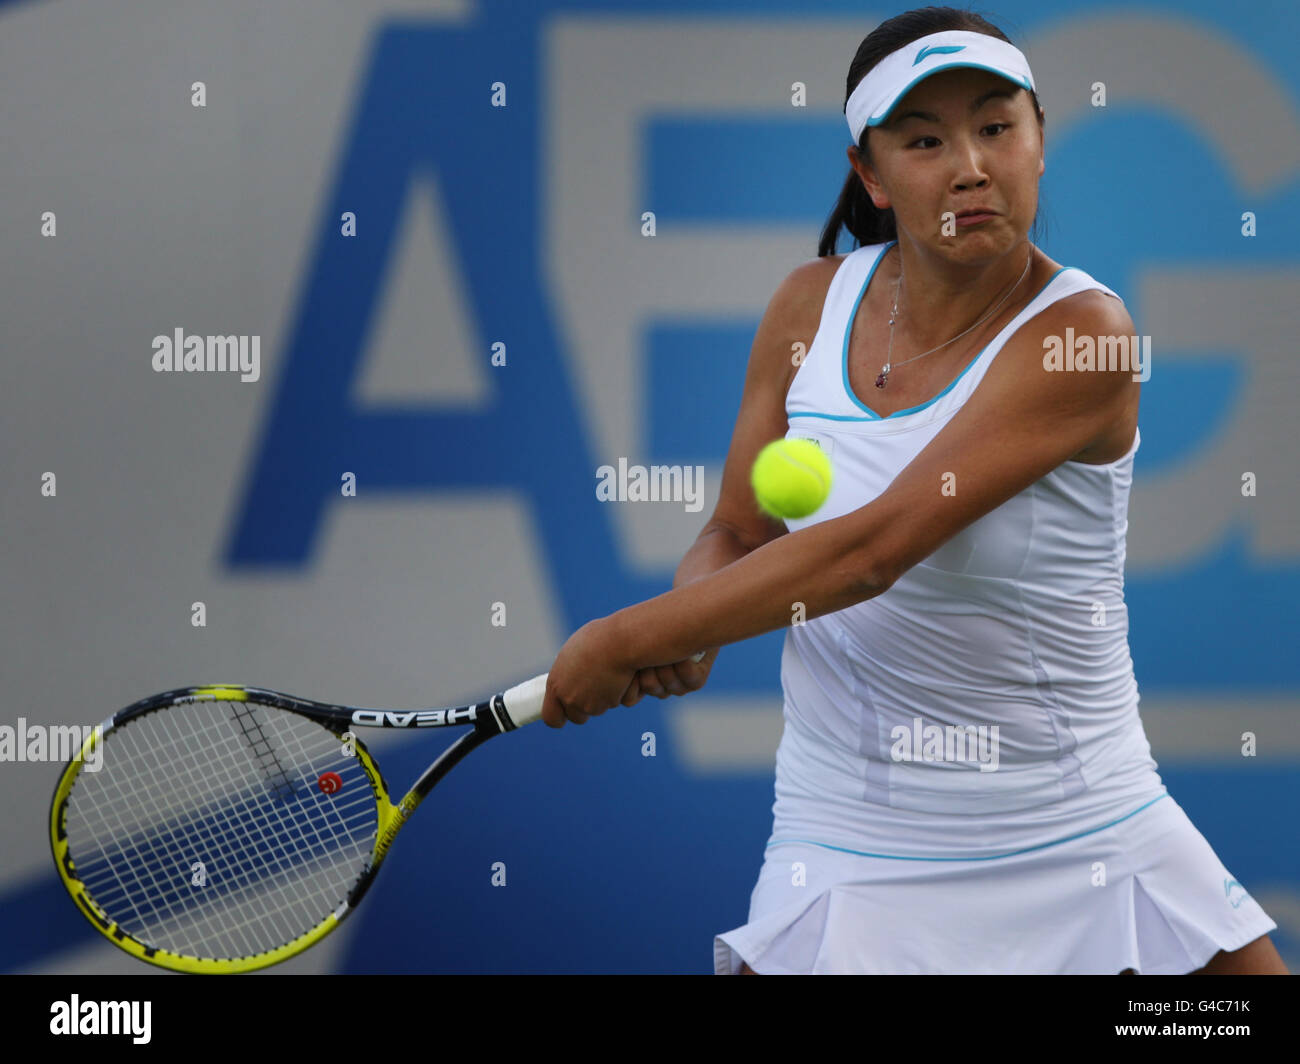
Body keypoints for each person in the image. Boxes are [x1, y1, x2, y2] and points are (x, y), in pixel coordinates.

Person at [538, 6, 1287, 975]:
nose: (970, 165)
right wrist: (697, 616)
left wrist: (628, 637)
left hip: (1077, 824)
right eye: (924, 139)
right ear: (871, 175)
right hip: (846, 830)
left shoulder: (1087, 337)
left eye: (995, 125)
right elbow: (736, 528)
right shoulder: (806, 305)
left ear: (1040, 141)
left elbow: (868, 552)